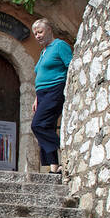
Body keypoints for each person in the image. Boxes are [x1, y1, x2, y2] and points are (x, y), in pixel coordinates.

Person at [30, 18, 72, 175]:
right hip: (42, 94)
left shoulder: (59, 45)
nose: (38, 36)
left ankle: (63, 148)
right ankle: (54, 167)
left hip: (55, 89)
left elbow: (71, 66)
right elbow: (40, 75)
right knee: (47, 127)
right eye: (35, 34)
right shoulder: (44, 51)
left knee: (38, 125)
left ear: (49, 30)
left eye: (40, 32)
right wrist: (36, 98)